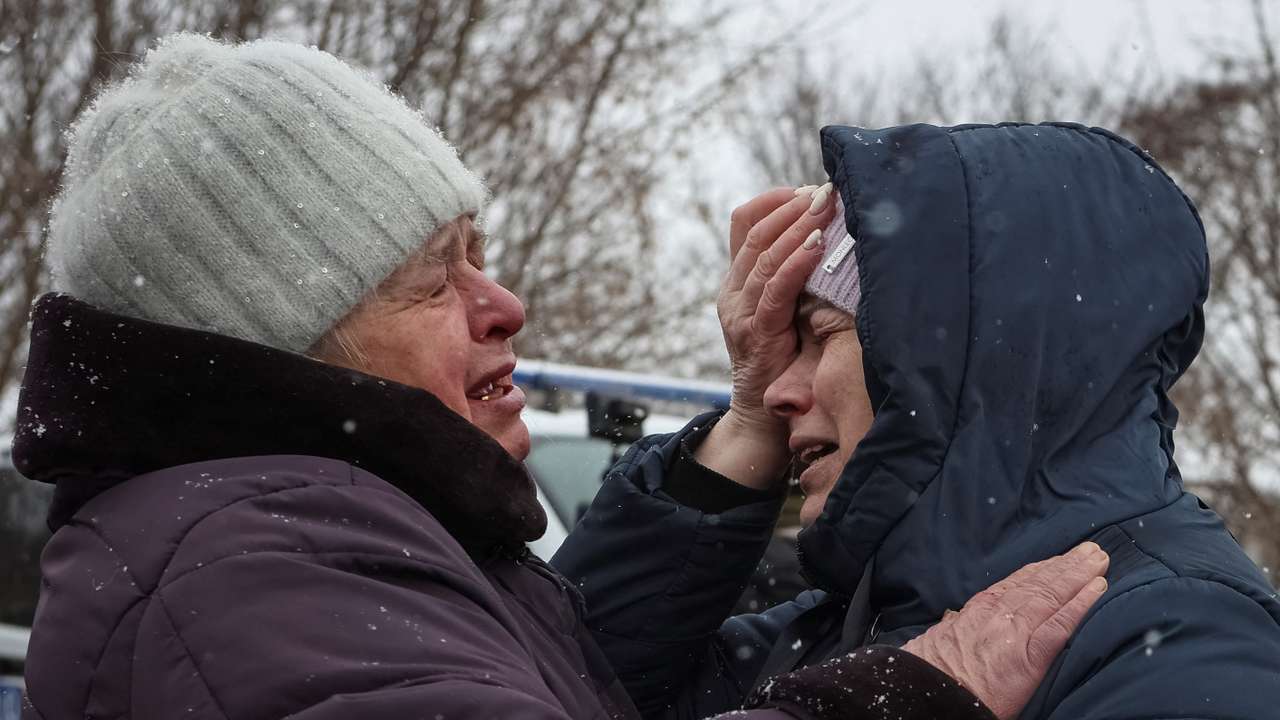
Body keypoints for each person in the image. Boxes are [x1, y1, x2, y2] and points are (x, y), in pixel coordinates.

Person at [9, 35, 1106, 720]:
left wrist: (744, 429)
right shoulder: (243, 572)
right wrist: (911, 698)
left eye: (478, 254)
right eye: (433, 279)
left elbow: (573, 681)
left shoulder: (307, 536)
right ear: (282, 342)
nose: (503, 306)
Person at [554, 122, 1280, 719]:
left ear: (963, 356)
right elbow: (561, 685)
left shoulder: (1180, 641)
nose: (778, 390)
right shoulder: (853, 625)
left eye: (820, 337)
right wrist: (745, 423)